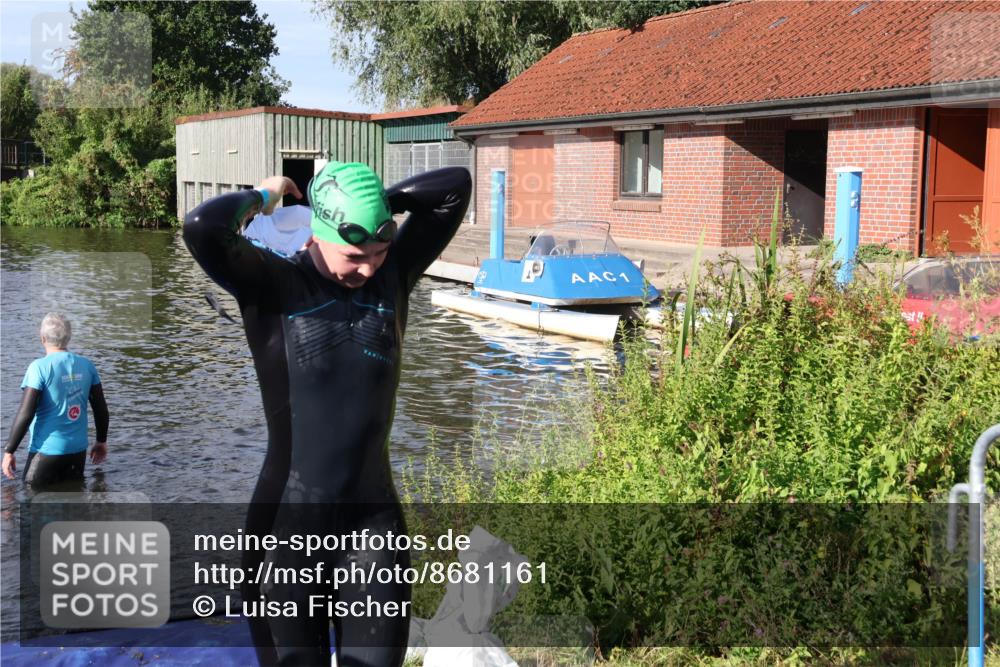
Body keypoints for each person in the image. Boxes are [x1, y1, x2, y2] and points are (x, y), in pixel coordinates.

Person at [183, 161, 471, 666]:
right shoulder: (274, 285)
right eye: (355, 255)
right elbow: (203, 226)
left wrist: (373, 204)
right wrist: (264, 195)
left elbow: (454, 188)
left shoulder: (394, 277)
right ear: (318, 233)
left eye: (380, 252)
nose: (369, 268)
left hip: (373, 527)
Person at [2, 313, 109, 487]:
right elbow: (100, 409)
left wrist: (9, 451)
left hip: (46, 452)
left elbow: (26, 413)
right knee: (73, 498)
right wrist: (101, 441)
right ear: (69, 337)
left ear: (42, 338)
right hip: (78, 452)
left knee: (30, 499)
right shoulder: (87, 365)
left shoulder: (38, 368)